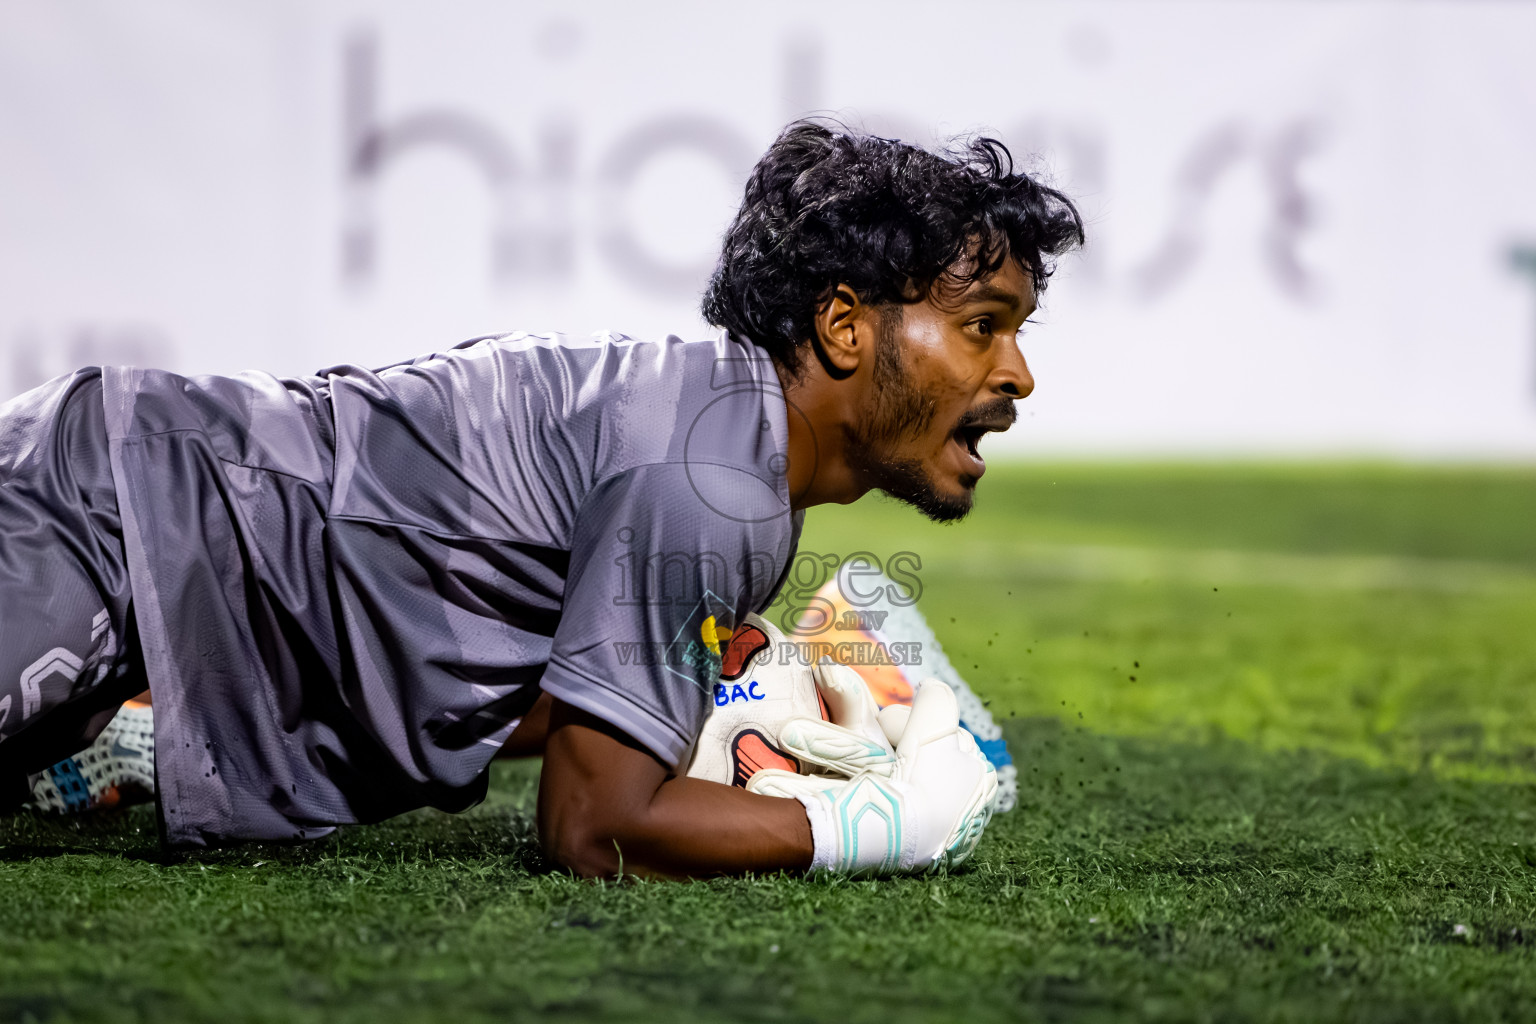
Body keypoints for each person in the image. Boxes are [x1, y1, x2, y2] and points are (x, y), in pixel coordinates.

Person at [0, 121, 1083, 877]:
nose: (1019, 373)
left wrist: (714, 689)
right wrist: (879, 825)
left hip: (152, 556)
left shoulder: (726, 441)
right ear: (844, 326)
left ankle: (129, 730)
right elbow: (593, 826)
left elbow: (486, 679)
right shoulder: (714, 481)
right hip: (102, 508)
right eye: (982, 325)